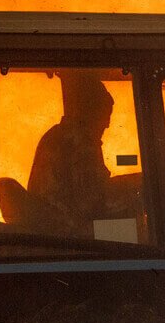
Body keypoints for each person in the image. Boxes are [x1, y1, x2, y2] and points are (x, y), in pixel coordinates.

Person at [26, 71, 115, 236]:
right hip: (71, 234)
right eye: (105, 116)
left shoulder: (55, 135)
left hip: (51, 228)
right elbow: (91, 203)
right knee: (137, 234)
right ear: (91, 112)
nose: (107, 125)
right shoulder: (81, 143)